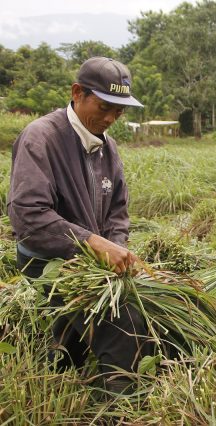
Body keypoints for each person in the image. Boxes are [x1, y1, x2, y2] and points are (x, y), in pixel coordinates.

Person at [8, 56, 149, 393]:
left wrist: (117, 248)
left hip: (92, 263)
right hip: (47, 263)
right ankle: (113, 401)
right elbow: (28, 214)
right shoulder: (41, 138)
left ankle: (94, 384)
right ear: (77, 93)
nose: (111, 118)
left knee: (106, 326)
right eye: (103, 107)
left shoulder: (108, 148)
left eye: (119, 112)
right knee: (110, 328)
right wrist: (92, 243)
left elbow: (117, 211)